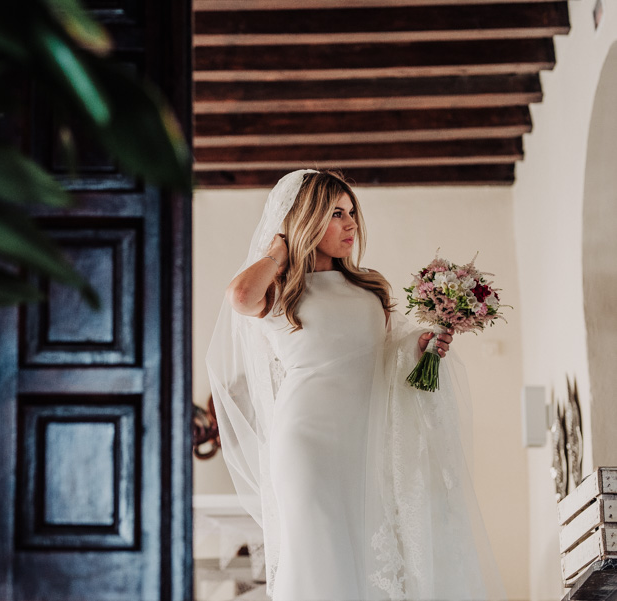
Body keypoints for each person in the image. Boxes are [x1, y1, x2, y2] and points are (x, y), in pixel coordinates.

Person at [206, 169, 505, 601]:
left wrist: (421, 347)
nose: (351, 225)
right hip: (307, 440)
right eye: (336, 214)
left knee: (372, 552)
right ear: (306, 220)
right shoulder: (282, 290)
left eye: (352, 213)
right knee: (318, 549)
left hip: (369, 438)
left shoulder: (369, 287)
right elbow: (239, 297)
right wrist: (279, 251)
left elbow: (387, 360)